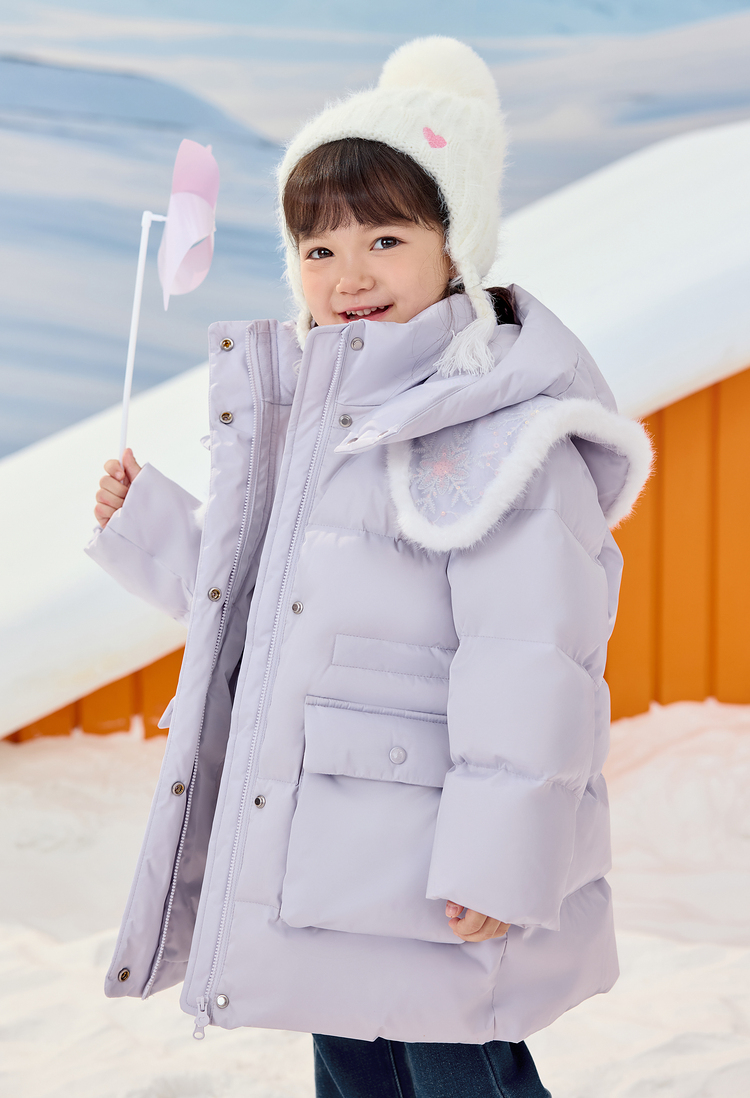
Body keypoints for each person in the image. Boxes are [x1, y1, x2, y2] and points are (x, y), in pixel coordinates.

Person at [88, 36, 652, 1098]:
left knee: (456, 1067)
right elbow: (272, 609)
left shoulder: (503, 432)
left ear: (456, 248)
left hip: (436, 858)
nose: (349, 276)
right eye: (319, 248)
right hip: (323, 854)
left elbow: (532, 661)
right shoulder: (322, 425)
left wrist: (502, 854)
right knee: (354, 1066)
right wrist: (152, 529)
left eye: (385, 239)